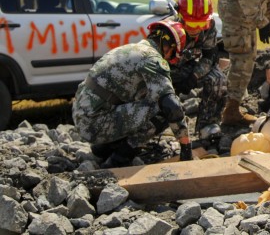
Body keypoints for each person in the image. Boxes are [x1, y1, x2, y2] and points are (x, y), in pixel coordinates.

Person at [72, 21, 193, 168]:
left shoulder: (130, 49)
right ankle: (119, 159)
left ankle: (103, 150)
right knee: (161, 108)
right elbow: (171, 106)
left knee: (144, 99)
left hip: (83, 116)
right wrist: (186, 149)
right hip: (94, 124)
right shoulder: (153, 59)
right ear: (170, 48)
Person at [171, 0, 227, 138]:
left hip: (188, 67)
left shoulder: (210, 27)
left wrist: (194, 77)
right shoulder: (167, 29)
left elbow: (209, 56)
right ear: (180, 17)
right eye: (191, 24)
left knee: (218, 79)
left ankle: (207, 125)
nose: (196, 30)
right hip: (166, 70)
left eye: (201, 24)